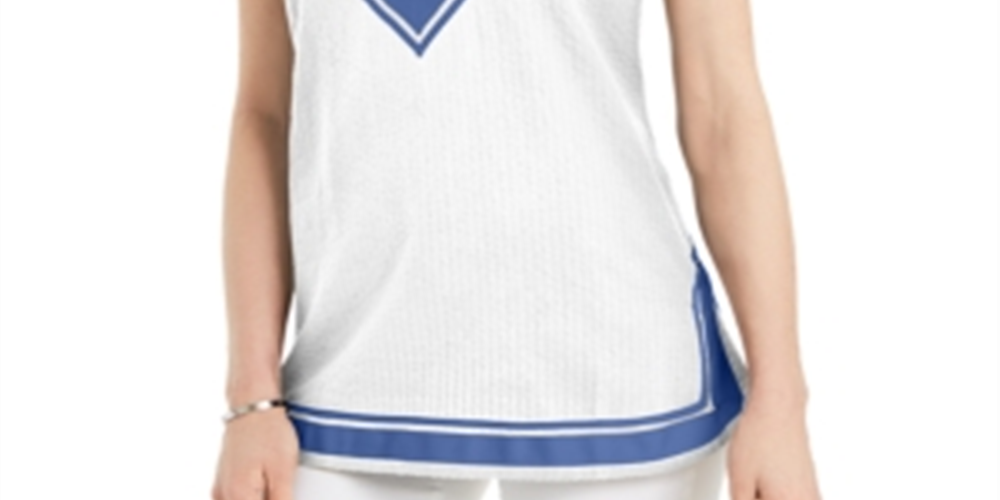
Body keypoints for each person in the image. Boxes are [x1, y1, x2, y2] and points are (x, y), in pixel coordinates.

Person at [210, 0, 823, 499]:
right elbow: (266, 115)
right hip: (352, 377)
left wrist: (780, 398)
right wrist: (252, 397)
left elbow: (723, 112)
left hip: (619, 379)